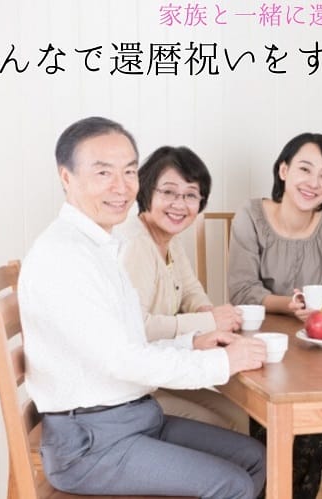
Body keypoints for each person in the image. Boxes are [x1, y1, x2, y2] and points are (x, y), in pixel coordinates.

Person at [18, 116, 267, 498]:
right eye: (103, 172)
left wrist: (191, 344)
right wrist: (224, 362)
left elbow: (130, 342)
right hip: (91, 446)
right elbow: (124, 361)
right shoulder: (65, 256)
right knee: (231, 484)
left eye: (129, 171)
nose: (121, 187)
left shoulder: (101, 246)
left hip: (132, 418)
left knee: (255, 458)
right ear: (66, 177)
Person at [228, 132, 322, 498]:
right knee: (270, 444)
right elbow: (240, 292)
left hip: (318, 344)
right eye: (305, 169)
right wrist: (291, 305)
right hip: (262, 344)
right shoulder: (251, 215)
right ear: (283, 170)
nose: (313, 183)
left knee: (312, 440)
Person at [118, 145, 248, 433]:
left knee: (239, 415)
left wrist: (208, 311)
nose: (180, 204)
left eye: (190, 195)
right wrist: (209, 322)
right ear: (146, 190)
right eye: (168, 192)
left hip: (160, 371)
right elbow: (136, 327)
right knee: (222, 426)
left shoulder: (169, 240)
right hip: (131, 387)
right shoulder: (136, 245)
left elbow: (190, 289)